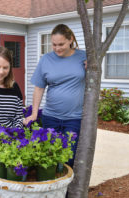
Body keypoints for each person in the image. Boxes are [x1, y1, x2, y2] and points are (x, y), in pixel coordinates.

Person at [24, 24, 87, 168]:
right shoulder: (46, 60)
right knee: (50, 157)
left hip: (74, 118)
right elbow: (39, 88)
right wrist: (34, 114)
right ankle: (52, 189)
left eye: (61, 44)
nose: (57, 48)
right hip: (50, 117)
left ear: (70, 40)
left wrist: (92, 66)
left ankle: (66, 191)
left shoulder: (83, 56)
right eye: (54, 45)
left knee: (68, 158)